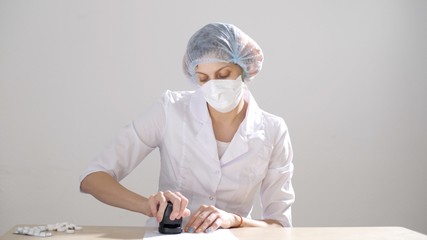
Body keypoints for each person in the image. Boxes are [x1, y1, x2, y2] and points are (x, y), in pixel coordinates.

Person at [79, 22, 295, 233]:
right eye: (203, 78)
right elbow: (93, 178)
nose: (213, 86)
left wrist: (235, 220)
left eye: (223, 75)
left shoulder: (272, 130)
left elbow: (280, 225)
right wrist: (147, 205)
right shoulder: (170, 110)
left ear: (246, 69)